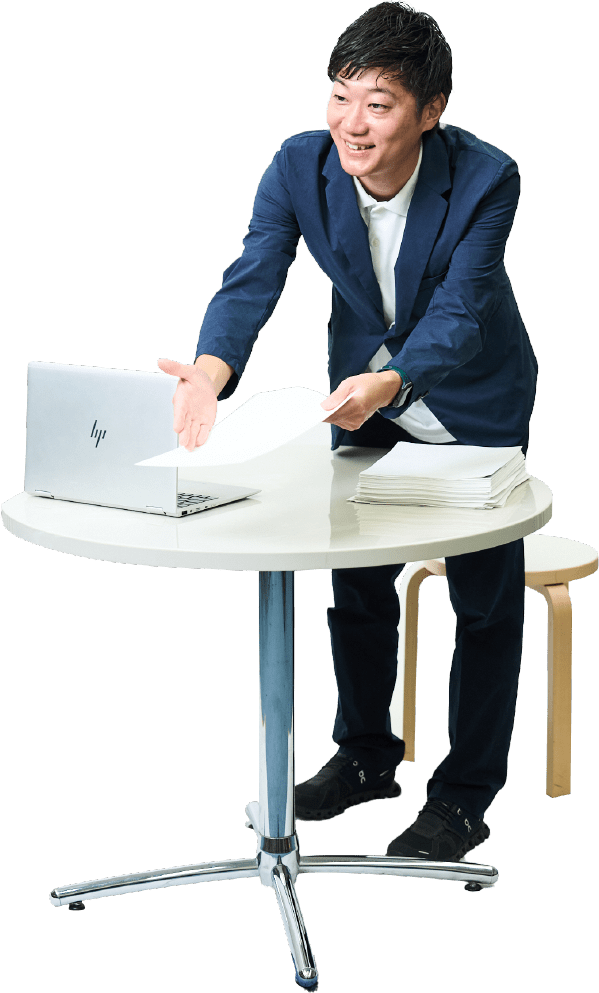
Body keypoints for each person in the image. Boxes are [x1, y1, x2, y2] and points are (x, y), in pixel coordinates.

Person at [158, 1, 537, 861]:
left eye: (378, 103)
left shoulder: (486, 178)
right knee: (357, 581)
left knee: (483, 602)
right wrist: (210, 371)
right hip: (359, 402)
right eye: (339, 95)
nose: (351, 123)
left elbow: (461, 310)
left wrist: (393, 381)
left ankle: (463, 798)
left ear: (430, 110)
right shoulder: (299, 165)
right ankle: (366, 755)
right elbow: (255, 271)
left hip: (470, 399)